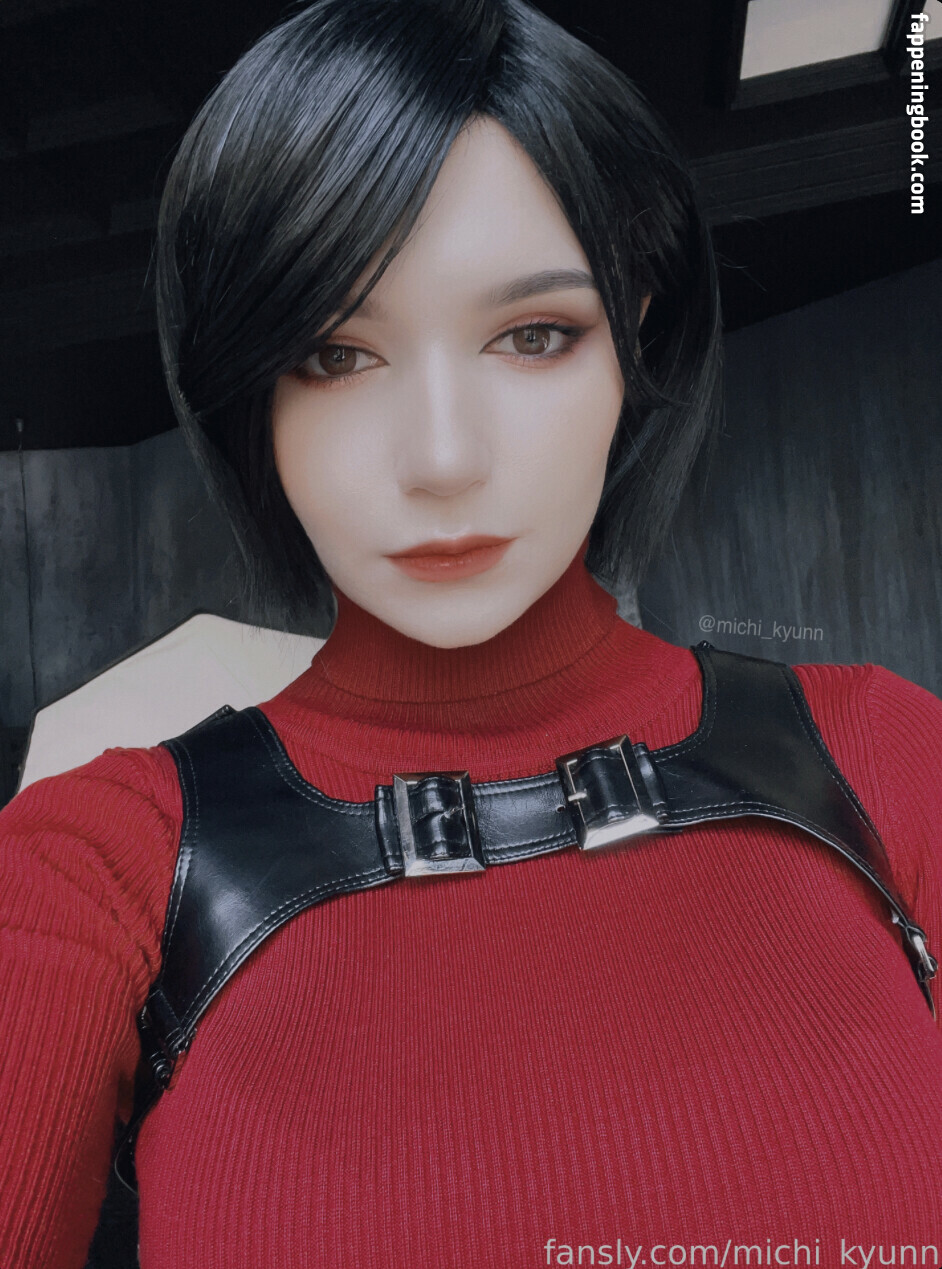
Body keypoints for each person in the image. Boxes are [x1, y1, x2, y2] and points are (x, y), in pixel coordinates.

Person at [2, 1, 941, 1266]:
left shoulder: (889, 755)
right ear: (249, 393)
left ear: (636, 338)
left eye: (534, 335)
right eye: (335, 354)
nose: (442, 459)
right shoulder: (92, 863)